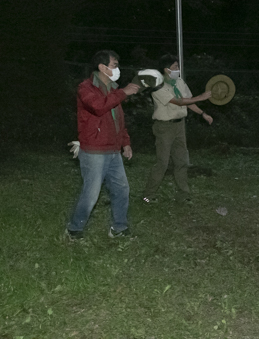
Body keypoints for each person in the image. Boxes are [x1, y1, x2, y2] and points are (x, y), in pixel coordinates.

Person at [66, 50, 140, 240]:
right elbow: (99, 107)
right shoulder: (86, 88)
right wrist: (124, 92)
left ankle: (119, 228)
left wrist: (126, 142)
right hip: (94, 150)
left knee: (121, 189)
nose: (118, 69)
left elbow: (118, 119)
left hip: (113, 150)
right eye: (114, 65)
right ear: (102, 67)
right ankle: (74, 230)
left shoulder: (114, 90)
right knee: (91, 194)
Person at [142, 54, 213, 204]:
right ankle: (148, 194)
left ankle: (184, 195)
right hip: (164, 127)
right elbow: (179, 102)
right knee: (163, 162)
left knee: (181, 161)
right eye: (175, 67)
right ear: (166, 69)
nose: (178, 69)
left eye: (178, 66)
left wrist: (203, 113)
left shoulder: (179, 81)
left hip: (179, 125)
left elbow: (188, 101)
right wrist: (201, 97)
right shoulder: (158, 86)